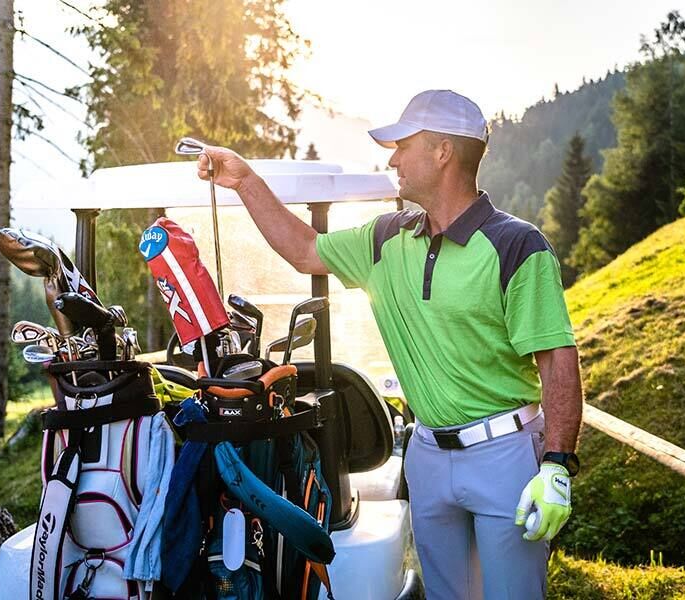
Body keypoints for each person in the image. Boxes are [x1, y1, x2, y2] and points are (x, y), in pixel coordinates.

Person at [198, 89, 584, 600]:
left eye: (403, 145)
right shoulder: (385, 239)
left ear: (443, 151)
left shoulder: (518, 245)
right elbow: (303, 249)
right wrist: (245, 180)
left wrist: (558, 464)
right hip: (426, 452)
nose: (393, 158)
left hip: (504, 454)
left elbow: (557, 360)